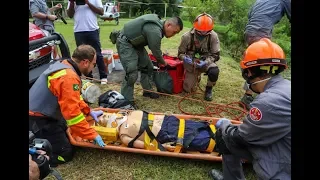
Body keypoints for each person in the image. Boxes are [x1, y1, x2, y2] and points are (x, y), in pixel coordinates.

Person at [209, 38, 291, 180]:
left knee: (225, 136)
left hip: (285, 164)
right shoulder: (286, 87)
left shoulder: (267, 102)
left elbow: (243, 137)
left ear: (250, 72)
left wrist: (225, 127)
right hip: (284, 145)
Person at [29, 45, 106, 167]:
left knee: (69, 134)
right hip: (39, 120)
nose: (93, 67)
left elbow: (72, 99)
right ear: (85, 62)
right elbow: (72, 115)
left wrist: (88, 111)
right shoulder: (68, 77)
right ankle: (39, 157)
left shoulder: (65, 64)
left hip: (47, 113)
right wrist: (92, 134)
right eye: (94, 64)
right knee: (65, 153)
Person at [115, 14, 183, 108]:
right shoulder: (155, 30)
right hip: (125, 42)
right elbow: (156, 51)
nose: (173, 35)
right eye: (174, 32)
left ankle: (148, 91)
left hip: (136, 44)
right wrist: (164, 62)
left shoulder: (159, 26)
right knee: (131, 73)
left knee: (148, 66)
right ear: (168, 25)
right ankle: (127, 101)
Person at [240, 0, 291, 109]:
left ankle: (249, 95)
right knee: (262, 66)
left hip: (249, 31)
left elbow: (250, 14)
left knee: (254, 65)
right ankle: (255, 99)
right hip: (261, 31)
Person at [92, 109, 217, 153]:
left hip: (171, 121)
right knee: (208, 140)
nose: (105, 116)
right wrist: (165, 148)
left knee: (205, 127)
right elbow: (147, 145)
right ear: (106, 126)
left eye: (104, 114)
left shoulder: (126, 113)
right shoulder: (124, 135)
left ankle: (224, 132)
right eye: (102, 119)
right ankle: (222, 144)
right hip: (167, 134)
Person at [178, 13, 220, 101]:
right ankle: (194, 77)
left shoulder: (214, 36)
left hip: (206, 61)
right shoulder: (186, 37)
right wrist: (184, 58)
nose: (203, 33)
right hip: (191, 63)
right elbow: (180, 53)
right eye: (200, 31)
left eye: (206, 31)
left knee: (214, 72)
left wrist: (206, 62)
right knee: (187, 90)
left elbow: (216, 55)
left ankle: (209, 89)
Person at [67, 0, 108, 85]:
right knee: (82, 55)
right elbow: (70, 15)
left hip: (92, 29)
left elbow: (101, 12)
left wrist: (87, 2)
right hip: (79, 30)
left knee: (97, 54)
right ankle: (89, 77)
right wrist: (71, 3)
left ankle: (103, 76)